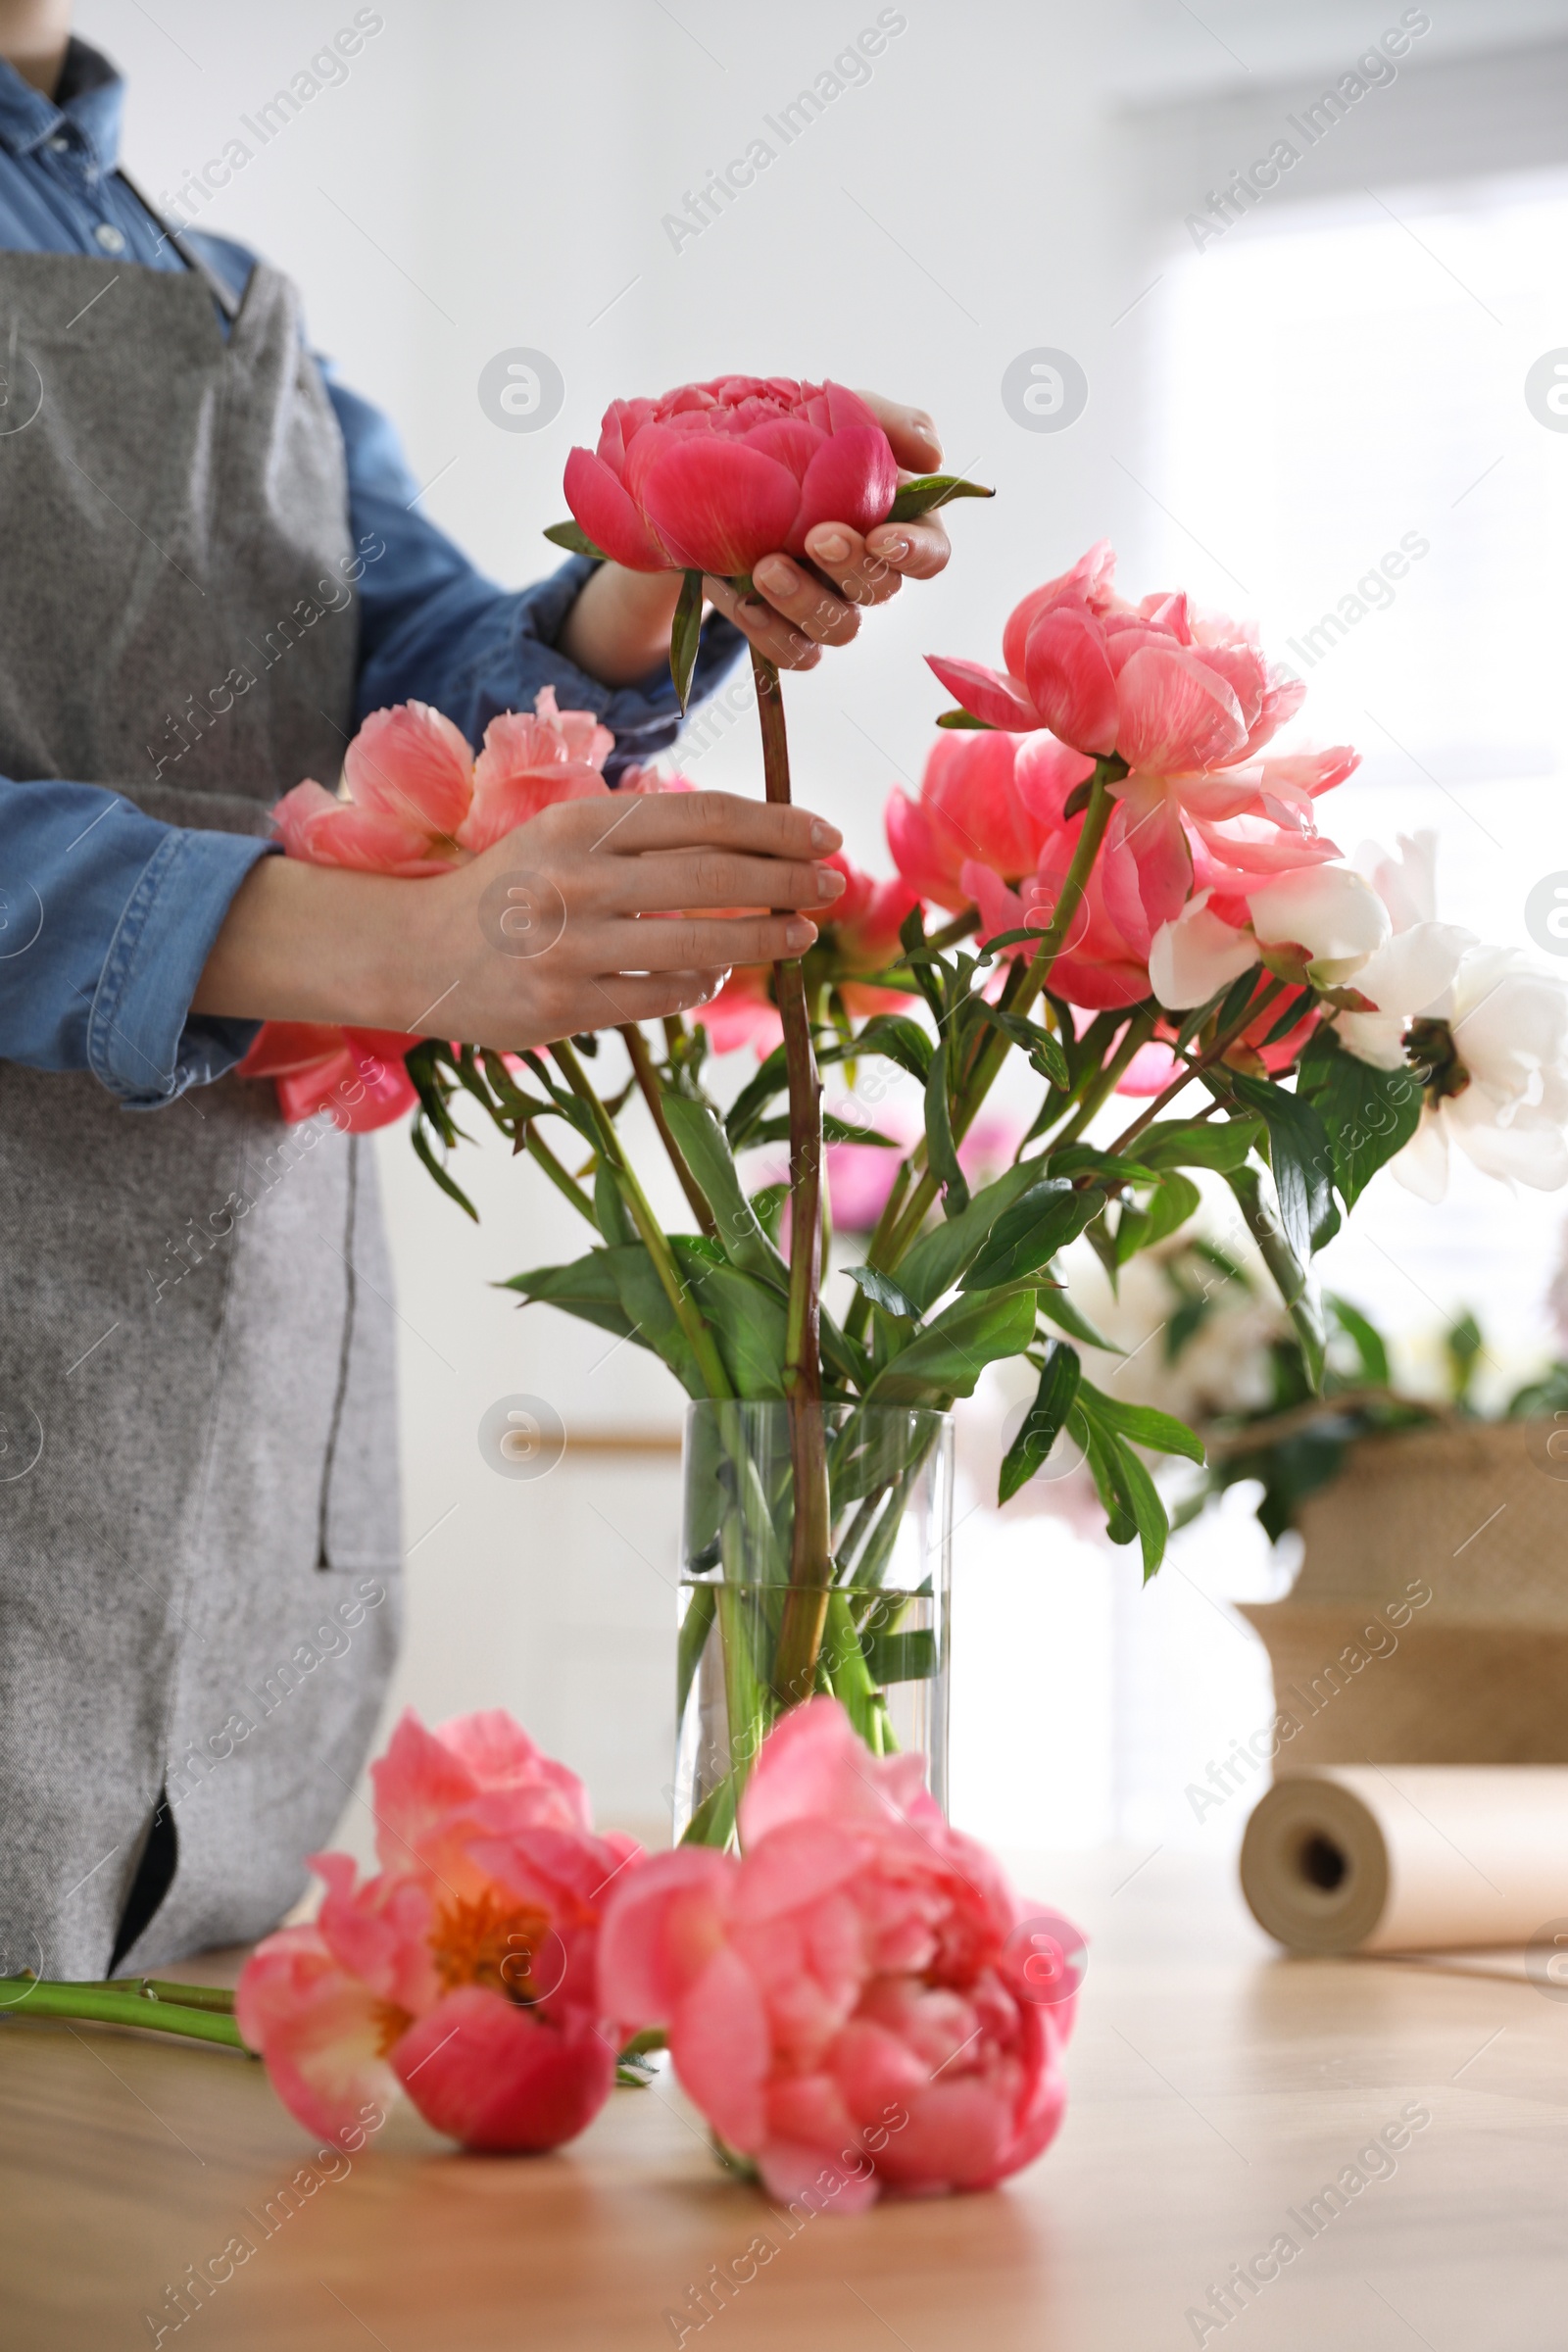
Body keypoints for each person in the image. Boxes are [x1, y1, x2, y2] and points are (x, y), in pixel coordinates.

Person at [0, 5, 954, 1981]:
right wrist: (391, 949)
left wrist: (663, 571)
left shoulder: (225, 295)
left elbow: (431, 671)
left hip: (236, 1326)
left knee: (156, 2161)